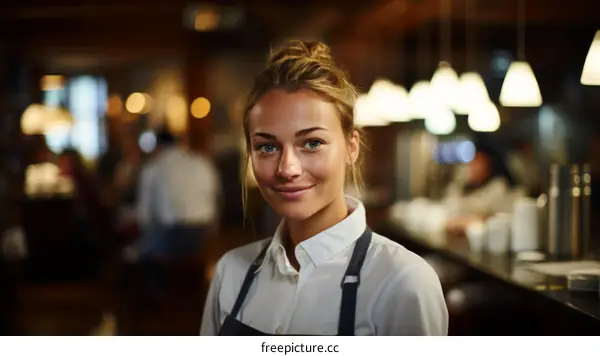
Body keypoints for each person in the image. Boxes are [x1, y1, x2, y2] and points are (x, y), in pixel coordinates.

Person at [200, 40, 448, 336]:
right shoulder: (231, 272)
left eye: (312, 143)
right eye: (267, 146)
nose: (287, 169)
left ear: (351, 147)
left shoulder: (404, 282)